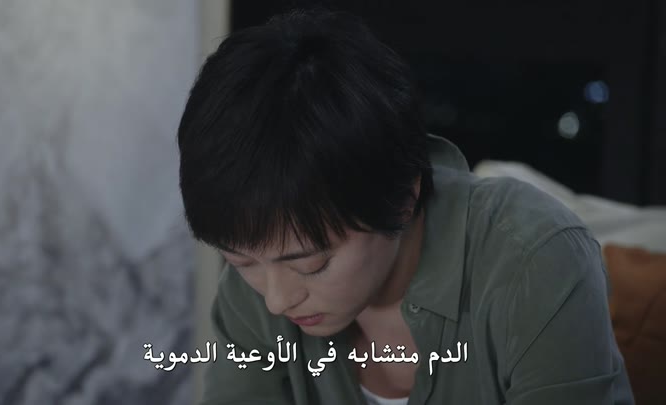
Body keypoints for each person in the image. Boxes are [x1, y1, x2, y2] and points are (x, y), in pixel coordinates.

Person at [176, 8, 634, 404]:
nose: (277, 300)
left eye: (312, 265)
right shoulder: (259, 280)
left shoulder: (535, 263)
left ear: (402, 197)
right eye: (240, 261)